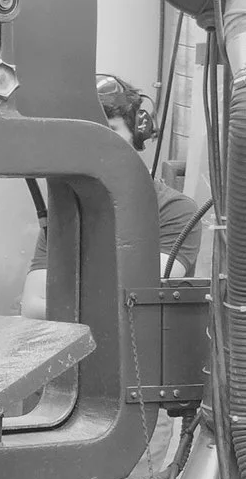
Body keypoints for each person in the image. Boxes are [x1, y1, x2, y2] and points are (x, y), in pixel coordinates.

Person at [18, 72, 204, 320]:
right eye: (89, 133)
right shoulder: (68, 211)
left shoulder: (175, 211)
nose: (98, 144)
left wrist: (67, 303)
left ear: (137, 133)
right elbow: (32, 308)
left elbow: (132, 303)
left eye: (110, 130)